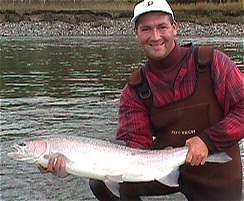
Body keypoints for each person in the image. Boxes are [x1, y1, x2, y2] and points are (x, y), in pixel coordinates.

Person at [38, 0, 244, 200]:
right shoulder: (135, 88)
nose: (155, 36)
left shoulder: (212, 62)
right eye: (146, 29)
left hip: (217, 169)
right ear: (136, 34)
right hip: (159, 168)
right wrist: (73, 167)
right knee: (101, 184)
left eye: (162, 27)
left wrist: (207, 141)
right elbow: (135, 143)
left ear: (174, 28)